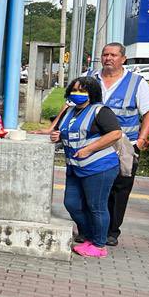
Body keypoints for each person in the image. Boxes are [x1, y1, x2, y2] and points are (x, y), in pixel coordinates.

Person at [50, 76, 122, 258]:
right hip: (75, 167)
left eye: (83, 90)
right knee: (71, 203)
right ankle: (90, 235)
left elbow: (115, 133)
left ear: (92, 93)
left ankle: (99, 245)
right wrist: (58, 137)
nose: (77, 93)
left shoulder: (100, 111)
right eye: (74, 90)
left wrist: (89, 149)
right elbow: (69, 133)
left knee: (96, 206)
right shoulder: (70, 111)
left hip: (99, 167)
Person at [95, 43, 149, 247]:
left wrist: (140, 141)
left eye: (113, 55)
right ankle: (90, 229)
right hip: (94, 145)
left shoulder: (136, 83)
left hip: (124, 147)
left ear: (123, 59)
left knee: (119, 190)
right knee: (92, 187)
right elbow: (71, 104)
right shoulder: (91, 78)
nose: (108, 58)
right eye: (105, 54)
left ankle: (111, 231)